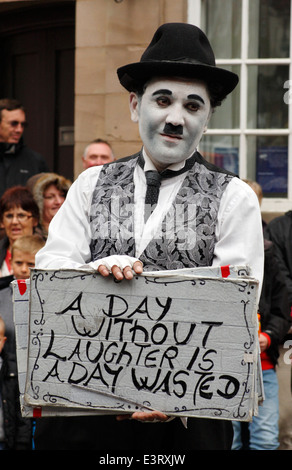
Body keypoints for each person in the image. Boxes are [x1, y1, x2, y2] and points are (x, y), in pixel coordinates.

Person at [34, 23, 264, 450]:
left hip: (185, 427)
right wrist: (94, 271)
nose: (176, 117)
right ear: (136, 106)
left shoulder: (234, 198)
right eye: (163, 100)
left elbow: (235, 305)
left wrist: (173, 394)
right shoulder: (90, 183)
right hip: (86, 420)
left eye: (193, 105)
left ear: (208, 117)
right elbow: (51, 270)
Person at [232, 180, 290, 450]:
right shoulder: (215, 251)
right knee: (226, 440)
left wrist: (269, 335)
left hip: (262, 366)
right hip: (222, 365)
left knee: (265, 440)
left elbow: (282, 305)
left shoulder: (268, 253)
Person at [0, 98, 48, 221]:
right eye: (13, 123)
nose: (19, 130)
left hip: (24, 235)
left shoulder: (35, 161)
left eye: (23, 124)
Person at [0, 234, 45, 357]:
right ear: (11, 262)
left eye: (30, 264)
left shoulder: (50, 298)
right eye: (18, 263)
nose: (24, 269)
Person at [0, 313, 32, 450]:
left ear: (4, 341)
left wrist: (22, 441)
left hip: (3, 441)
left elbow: (22, 410)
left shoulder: (12, 369)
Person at [0, 186, 39, 279]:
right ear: (2, 222)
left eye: (21, 215)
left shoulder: (47, 252)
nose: (14, 221)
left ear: (35, 220)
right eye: (9, 216)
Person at [30, 172, 72, 239]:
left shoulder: (76, 232)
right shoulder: (31, 238)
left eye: (62, 195)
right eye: (50, 197)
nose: (59, 201)